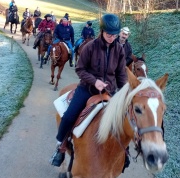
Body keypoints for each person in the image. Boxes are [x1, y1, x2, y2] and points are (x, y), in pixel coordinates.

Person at [49, 13, 127, 167]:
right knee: (69, 116)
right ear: (102, 31)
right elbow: (80, 69)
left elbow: (121, 74)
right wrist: (95, 81)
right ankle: (61, 146)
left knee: (123, 122)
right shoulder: (90, 47)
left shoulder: (119, 50)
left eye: (115, 35)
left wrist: (123, 93)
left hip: (108, 92)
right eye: (109, 34)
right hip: (87, 89)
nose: (112, 38)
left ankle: (123, 154)